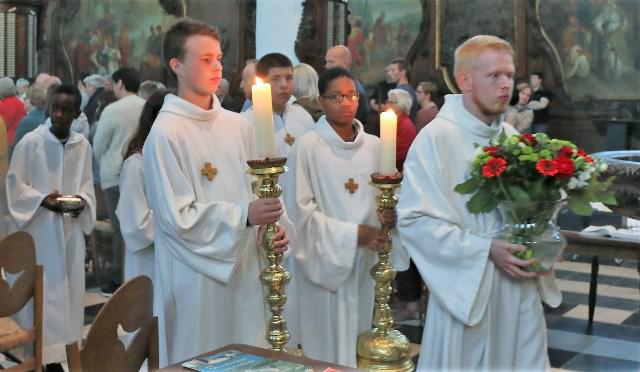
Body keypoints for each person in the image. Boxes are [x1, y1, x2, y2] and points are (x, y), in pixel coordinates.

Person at [396, 35, 561, 371]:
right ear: (465, 80)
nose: (506, 85)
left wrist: (542, 244)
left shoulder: (512, 140)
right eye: (494, 76)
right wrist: (485, 249)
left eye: (510, 76)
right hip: (469, 295)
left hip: (519, 291)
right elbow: (415, 221)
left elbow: (532, 213)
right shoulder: (436, 139)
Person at [142, 18, 289, 367]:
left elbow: (259, 192)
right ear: (176, 65)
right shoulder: (165, 134)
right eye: (205, 58)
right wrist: (244, 216)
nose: (217, 66)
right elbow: (177, 219)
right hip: (197, 281)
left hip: (245, 270)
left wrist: (275, 229)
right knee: (202, 355)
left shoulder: (239, 126)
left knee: (248, 352)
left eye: (219, 57)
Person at [282, 67, 407, 367]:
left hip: (366, 265)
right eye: (336, 96)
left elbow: (393, 197)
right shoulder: (307, 147)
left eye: (351, 95)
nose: (346, 102)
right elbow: (299, 213)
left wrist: (393, 215)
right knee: (326, 350)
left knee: (365, 340)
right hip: (324, 265)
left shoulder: (378, 146)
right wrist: (352, 234)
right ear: (321, 101)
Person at [7, 83, 96, 371]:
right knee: (42, 295)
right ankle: (37, 354)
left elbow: (86, 188)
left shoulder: (82, 146)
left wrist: (79, 202)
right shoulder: (31, 143)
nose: (59, 114)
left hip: (69, 235)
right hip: (40, 233)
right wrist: (41, 199)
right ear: (48, 108)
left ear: (76, 113)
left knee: (67, 296)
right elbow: (14, 186)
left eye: (66, 110)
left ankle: (60, 355)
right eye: (55, 108)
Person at [93, 66, 145, 296]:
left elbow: (98, 146)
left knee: (119, 229)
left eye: (114, 84)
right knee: (137, 226)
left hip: (114, 175)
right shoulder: (145, 106)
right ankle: (135, 276)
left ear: (120, 83)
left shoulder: (112, 110)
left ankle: (116, 279)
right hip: (140, 174)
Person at [116, 90, 167, 282]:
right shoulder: (137, 164)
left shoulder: (176, 159)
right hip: (148, 261)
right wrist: (176, 218)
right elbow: (136, 225)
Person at [242, 53, 314, 157]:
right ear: (261, 82)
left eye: (289, 78)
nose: (284, 85)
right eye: (275, 79)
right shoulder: (246, 122)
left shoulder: (303, 115)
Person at [325, 45, 370, 126]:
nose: (327, 66)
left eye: (331, 62)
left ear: (344, 64)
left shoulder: (354, 89)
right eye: (326, 62)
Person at [10, 85, 47, 158]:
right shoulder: (49, 118)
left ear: (31, 100)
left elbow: (16, 148)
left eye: (25, 98)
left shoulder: (27, 122)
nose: (23, 101)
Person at [386, 89, 416, 172]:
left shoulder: (406, 126)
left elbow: (399, 155)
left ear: (402, 105)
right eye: (387, 101)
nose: (387, 105)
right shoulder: (391, 122)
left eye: (391, 102)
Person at [0, 77, 26, 147]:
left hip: (5, 140)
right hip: (19, 138)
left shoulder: (3, 105)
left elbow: (3, 125)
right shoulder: (21, 103)